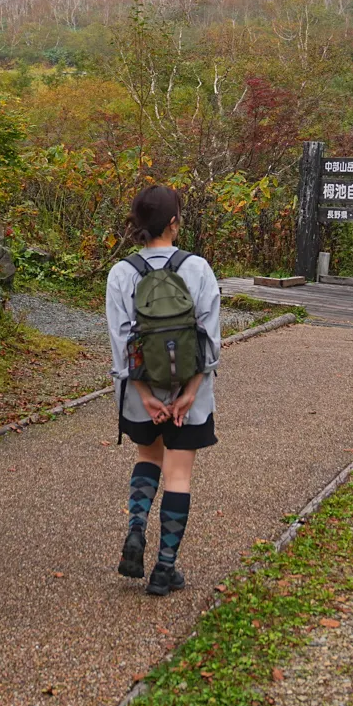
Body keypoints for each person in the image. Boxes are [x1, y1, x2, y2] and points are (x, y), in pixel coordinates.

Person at [105, 184, 221, 597]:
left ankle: (136, 529)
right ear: (174, 223)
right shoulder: (197, 268)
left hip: (142, 391)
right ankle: (164, 569)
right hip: (191, 391)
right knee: (179, 473)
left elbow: (121, 342)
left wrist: (144, 393)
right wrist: (190, 391)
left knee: (147, 456)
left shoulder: (122, 273)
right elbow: (209, 337)